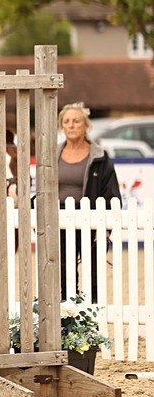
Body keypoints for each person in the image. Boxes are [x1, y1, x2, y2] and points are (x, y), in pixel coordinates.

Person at [57, 103, 121, 303]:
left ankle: (93, 318)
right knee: (63, 272)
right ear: (61, 126)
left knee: (93, 273)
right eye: (66, 122)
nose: (71, 125)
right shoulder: (52, 154)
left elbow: (111, 192)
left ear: (86, 125)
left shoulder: (99, 157)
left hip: (91, 221)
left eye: (76, 121)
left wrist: (106, 226)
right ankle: (67, 320)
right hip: (60, 221)